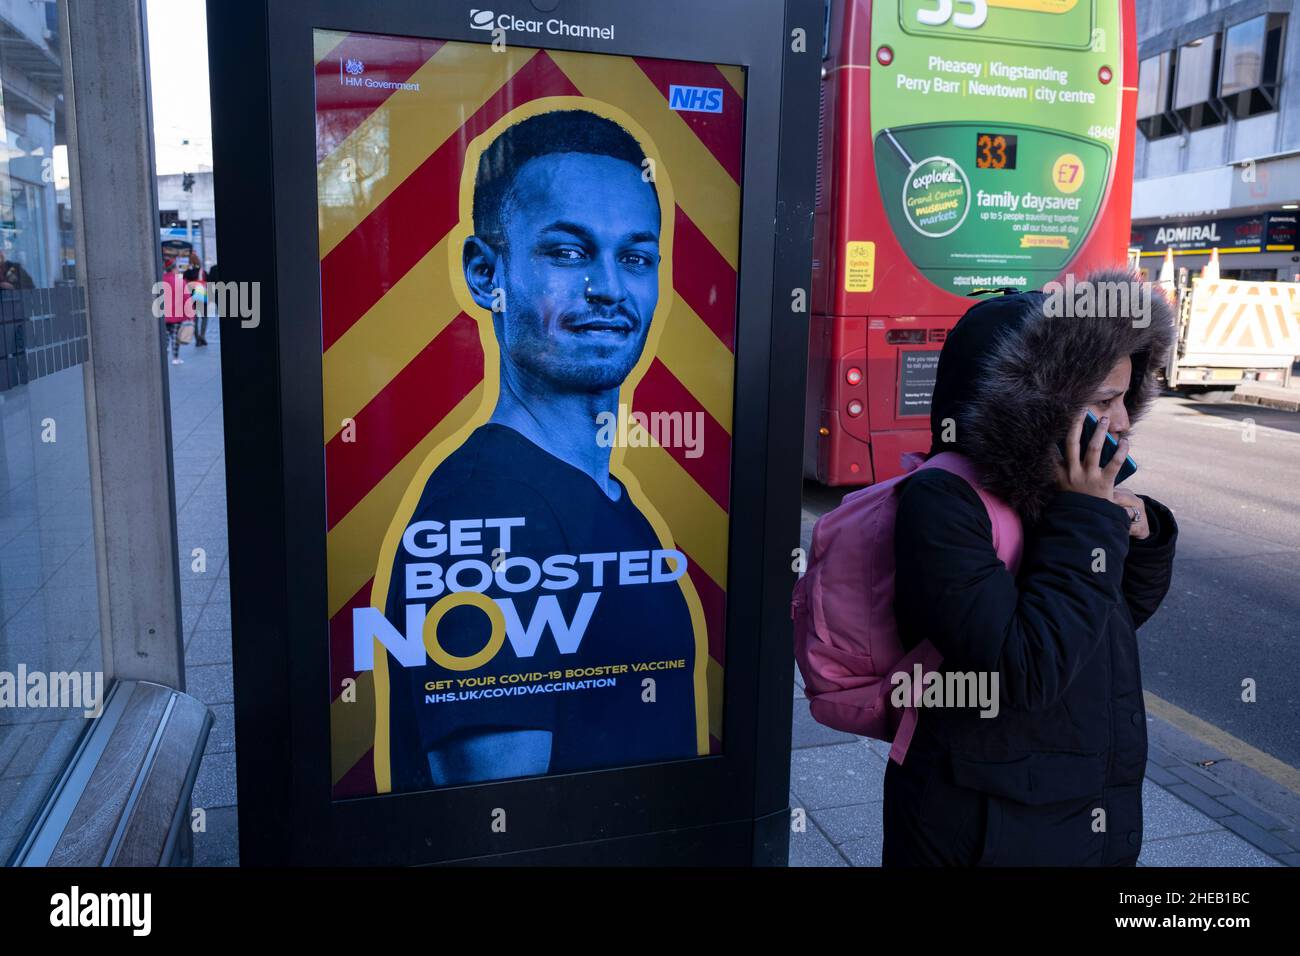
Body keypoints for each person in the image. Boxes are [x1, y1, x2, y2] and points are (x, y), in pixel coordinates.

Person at [379, 109, 699, 791]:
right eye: (568, 252)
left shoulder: (606, 494)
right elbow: (500, 828)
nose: (610, 289)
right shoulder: (486, 509)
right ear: (484, 273)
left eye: (636, 258)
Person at [883, 268, 1178, 866]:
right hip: (986, 827)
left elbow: (1107, 627)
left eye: (1125, 397)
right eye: (1101, 401)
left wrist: (1144, 540)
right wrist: (1086, 521)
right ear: (1030, 406)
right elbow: (1026, 669)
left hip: (1077, 806)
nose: (1121, 421)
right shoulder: (943, 502)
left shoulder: (1063, 486)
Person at [161, 262, 188, 365]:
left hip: (163, 315)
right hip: (177, 315)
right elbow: (186, 298)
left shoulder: (160, 280)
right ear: (173, 269)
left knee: (165, 337)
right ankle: (175, 358)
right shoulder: (179, 281)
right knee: (176, 337)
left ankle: (163, 356)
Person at [184, 262, 208, 346]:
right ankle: (202, 336)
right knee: (204, 317)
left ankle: (197, 339)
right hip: (202, 296)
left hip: (192, 297)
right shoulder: (203, 272)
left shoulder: (188, 273)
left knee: (195, 319)